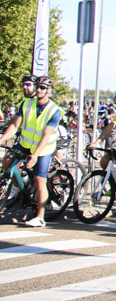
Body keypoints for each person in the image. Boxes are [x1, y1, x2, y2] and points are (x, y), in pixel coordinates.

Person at [12, 77, 63, 227]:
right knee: (7, 160)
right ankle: (16, 188)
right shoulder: (27, 104)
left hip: (43, 148)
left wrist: (34, 156)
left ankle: (40, 217)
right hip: (26, 143)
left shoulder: (54, 110)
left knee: (40, 180)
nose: (38, 89)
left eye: (42, 87)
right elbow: (14, 126)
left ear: (48, 90)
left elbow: (45, 136)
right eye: (37, 87)